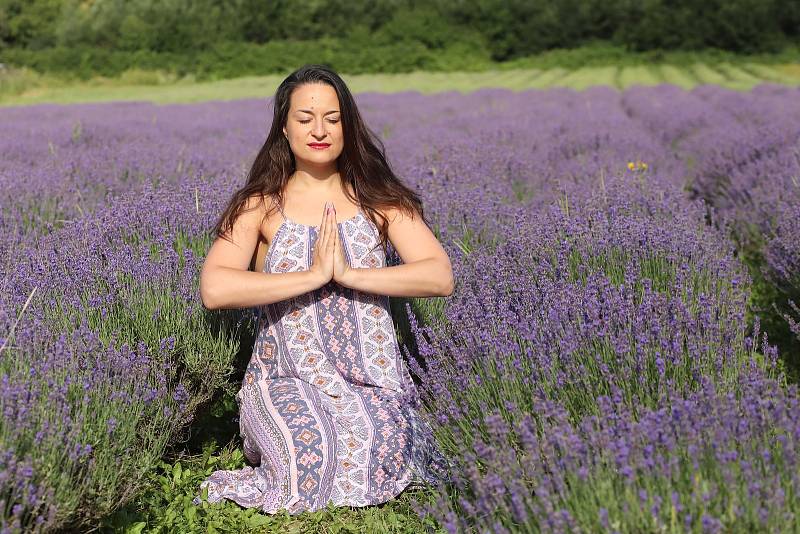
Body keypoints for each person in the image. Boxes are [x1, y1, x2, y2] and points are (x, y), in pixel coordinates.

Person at [196, 64, 454, 514]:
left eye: (333, 119)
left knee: (381, 440)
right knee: (305, 453)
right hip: (284, 380)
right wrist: (312, 277)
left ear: (348, 126)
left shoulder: (379, 199)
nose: (320, 130)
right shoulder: (260, 204)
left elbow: (438, 275)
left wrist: (351, 276)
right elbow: (215, 288)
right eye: (305, 118)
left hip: (368, 381)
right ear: (284, 127)